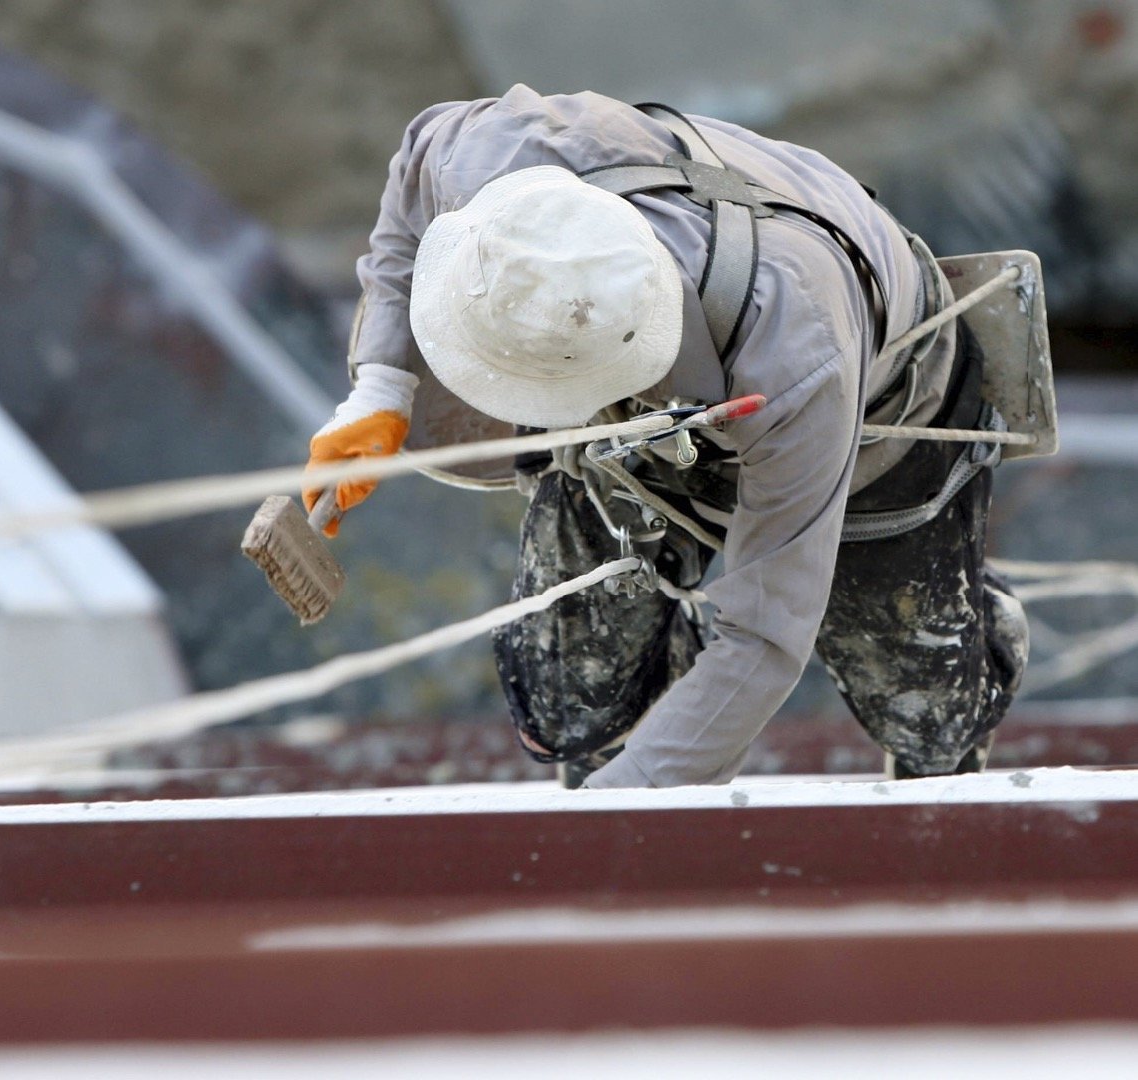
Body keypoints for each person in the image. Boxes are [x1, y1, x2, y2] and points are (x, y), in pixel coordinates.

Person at [302, 84, 1029, 789]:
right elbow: (411, 175)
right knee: (565, 697)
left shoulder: (799, 353)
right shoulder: (496, 157)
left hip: (876, 412)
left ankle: (976, 643)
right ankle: (652, 688)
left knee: (922, 711)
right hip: (635, 409)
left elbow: (767, 635)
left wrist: (631, 798)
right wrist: (381, 390)